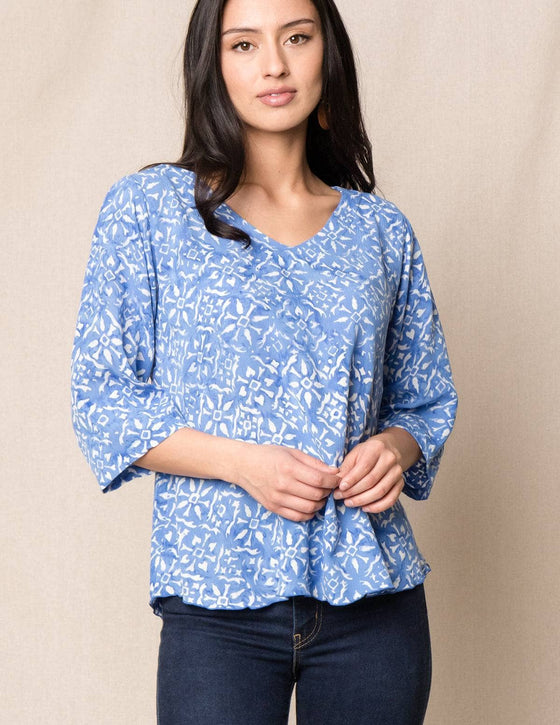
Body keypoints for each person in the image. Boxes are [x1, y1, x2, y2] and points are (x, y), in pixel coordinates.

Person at [70, 0, 458, 722]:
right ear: (212, 65)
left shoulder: (381, 230)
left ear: (327, 55)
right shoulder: (150, 210)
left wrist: (395, 449)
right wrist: (243, 464)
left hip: (374, 602)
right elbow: (104, 400)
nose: (274, 65)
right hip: (217, 603)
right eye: (244, 44)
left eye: (297, 38)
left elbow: (424, 400)